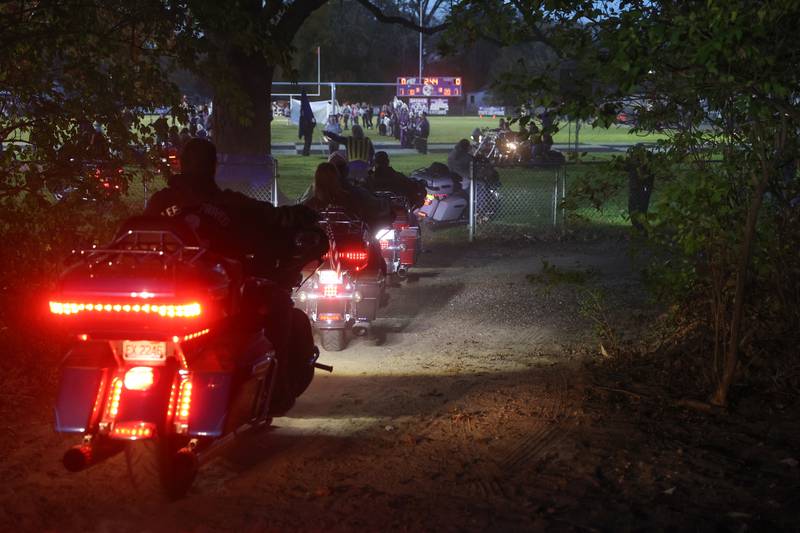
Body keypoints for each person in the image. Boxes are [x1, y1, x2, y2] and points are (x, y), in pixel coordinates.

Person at [145, 138, 324, 413]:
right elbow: (271, 218)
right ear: (214, 167)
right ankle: (276, 391)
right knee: (277, 304)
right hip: (217, 294)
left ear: (180, 164)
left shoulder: (159, 203)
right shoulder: (227, 203)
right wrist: (304, 215)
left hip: (160, 293)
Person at [298, 91, 316, 156]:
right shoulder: (305, 114)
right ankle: (305, 153)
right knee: (308, 142)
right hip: (308, 130)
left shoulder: (302, 114)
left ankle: (306, 152)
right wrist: (313, 123)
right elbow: (311, 123)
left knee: (307, 142)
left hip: (306, 130)